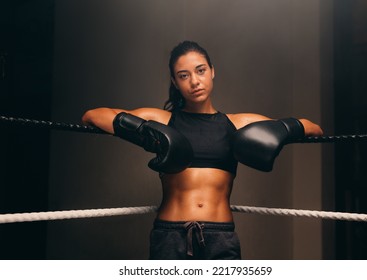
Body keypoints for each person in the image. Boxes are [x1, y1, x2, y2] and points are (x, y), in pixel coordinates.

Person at [82, 41, 323, 260]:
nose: (194, 81)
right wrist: (144, 131)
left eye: (200, 70)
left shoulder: (237, 124)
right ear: (175, 83)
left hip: (220, 237)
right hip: (170, 235)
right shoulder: (164, 121)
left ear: (212, 71)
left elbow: (314, 129)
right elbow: (93, 116)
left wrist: (283, 129)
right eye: (183, 75)